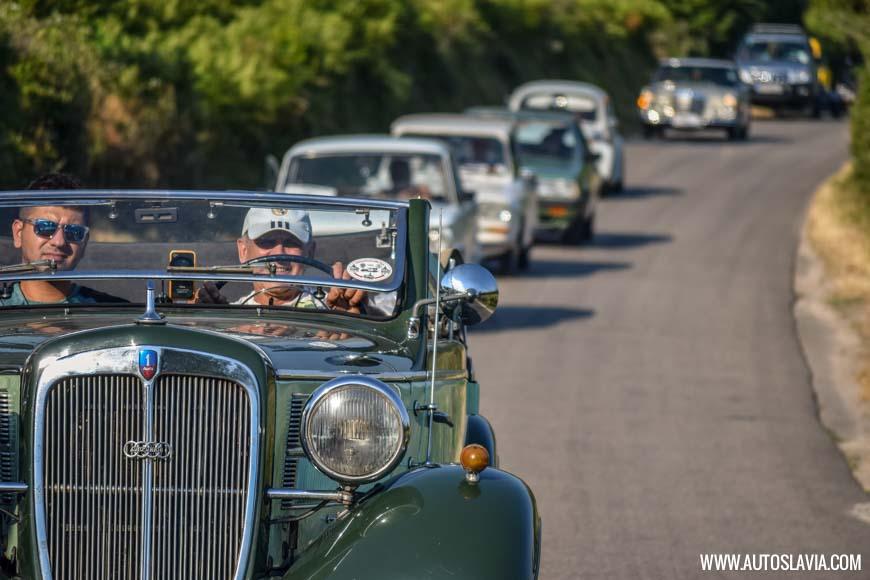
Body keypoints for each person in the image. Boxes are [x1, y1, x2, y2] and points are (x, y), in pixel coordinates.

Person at [194, 207, 368, 313]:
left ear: (310, 252)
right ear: (243, 250)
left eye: (291, 242)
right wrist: (200, 318)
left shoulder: (332, 307)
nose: (279, 253)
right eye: (267, 241)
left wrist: (352, 316)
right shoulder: (228, 315)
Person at [0, 173, 122, 306]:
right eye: (45, 227)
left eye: (74, 232)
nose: (59, 242)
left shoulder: (110, 311)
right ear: (18, 233)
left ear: (84, 243)